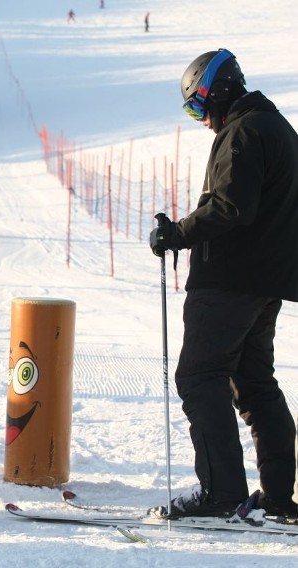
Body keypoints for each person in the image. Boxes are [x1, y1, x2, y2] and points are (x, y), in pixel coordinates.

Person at [150, 49, 298, 518]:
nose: (201, 119)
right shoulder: (279, 130)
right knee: (254, 383)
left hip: (229, 281)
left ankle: (221, 493)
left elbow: (233, 207)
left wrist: (178, 232)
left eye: (198, 106)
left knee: (199, 376)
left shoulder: (246, 131)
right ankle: (277, 497)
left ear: (218, 90)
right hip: (265, 282)